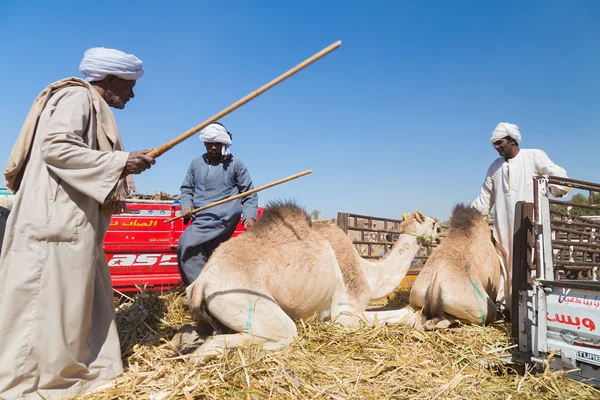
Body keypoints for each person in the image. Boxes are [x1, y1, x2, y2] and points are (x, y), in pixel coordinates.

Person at [0, 47, 155, 399]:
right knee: (43, 305)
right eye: (129, 85)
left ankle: (76, 370)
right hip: (53, 224)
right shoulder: (76, 98)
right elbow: (55, 147)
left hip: (71, 222)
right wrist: (120, 162)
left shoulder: (87, 102)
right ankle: (30, 384)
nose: (132, 94)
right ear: (111, 79)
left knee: (71, 304)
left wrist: (121, 162)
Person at [471, 122, 570, 313]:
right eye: (494, 144)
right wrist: (466, 217)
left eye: (500, 143)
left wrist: (556, 188)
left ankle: (535, 312)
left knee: (531, 265)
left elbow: (559, 175)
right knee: (505, 268)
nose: (497, 147)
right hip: (503, 230)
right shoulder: (494, 167)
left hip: (531, 225)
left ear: (512, 140)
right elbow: (484, 199)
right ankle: (508, 309)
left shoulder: (533, 156)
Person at [177, 122, 258, 285]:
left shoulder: (236, 164)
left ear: (224, 143)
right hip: (201, 217)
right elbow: (187, 189)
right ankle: (212, 290)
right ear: (204, 143)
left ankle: (201, 290)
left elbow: (249, 194)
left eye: (217, 143)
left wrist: (249, 218)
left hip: (224, 217)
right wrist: (186, 205)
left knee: (187, 243)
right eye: (209, 143)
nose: (213, 147)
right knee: (208, 255)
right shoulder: (195, 163)